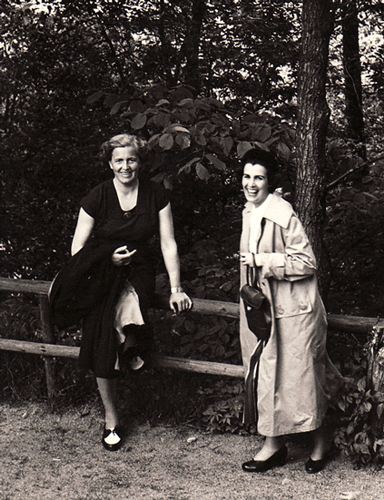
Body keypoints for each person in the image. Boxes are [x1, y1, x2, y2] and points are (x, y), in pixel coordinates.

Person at [49, 133, 192, 451]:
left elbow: (168, 243)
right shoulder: (97, 197)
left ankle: (131, 342)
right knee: (103, 331)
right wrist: (107, 259)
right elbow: (77, 249)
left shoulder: (156, 195)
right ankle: (113, 410)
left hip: (138, 272)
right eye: (119, 161)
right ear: (110, 164)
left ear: (140, 161)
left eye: (131, 159)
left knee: (114, 315)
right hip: (101, 273)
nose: (125, 166)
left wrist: (176, 288)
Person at [238, 148, 341, 474]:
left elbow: (306, 263)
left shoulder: (283, 215)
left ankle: (323, 442)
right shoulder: (250, 212)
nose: (251, 184)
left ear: (269, 182)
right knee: (266, 376)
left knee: (302, 379)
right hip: (264, 309)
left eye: (259, 178)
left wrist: (265, 262)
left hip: (295, 313)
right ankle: (274, 445)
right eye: (247, 177)